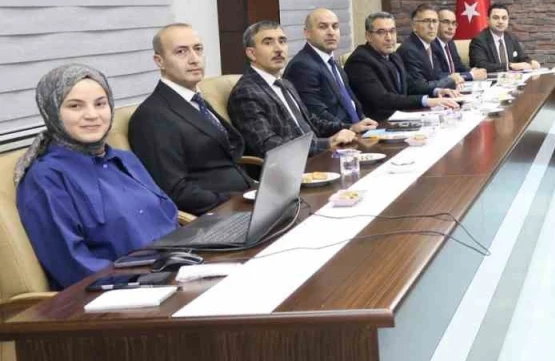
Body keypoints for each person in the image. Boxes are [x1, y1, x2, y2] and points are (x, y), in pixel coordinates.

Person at [15, 64, 179, 290]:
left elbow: (169, 215)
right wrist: (153, 279)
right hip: (123, 292)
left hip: (177, 268)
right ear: (52, 112)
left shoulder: (125, 159)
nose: (92, 115)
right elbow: (74, 267)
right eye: (75, 106)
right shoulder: (46, 178)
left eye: (100, 104)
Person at [130, 23, 254, 215]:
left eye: (198, 49)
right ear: (159, 61)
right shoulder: (151, 116)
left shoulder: (196, 100)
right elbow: (175, 191)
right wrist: (238, 201)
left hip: (247, 195)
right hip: (217, 214)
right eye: (181, 52)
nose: (194, 59)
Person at [227, 21, 362, 157]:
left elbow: (311, 122)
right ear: (251, 53)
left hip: (317, 155)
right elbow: (267, 145)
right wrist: (326, 144)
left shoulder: (285, 83)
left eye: (282, 41)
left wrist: (350, 127)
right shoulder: (246, 92)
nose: (278, 49)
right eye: (268, 43)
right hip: (292, 165)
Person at [346, 12, 461, 120]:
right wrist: (427, 101)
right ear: (368, 36)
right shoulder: (360, 61)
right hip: (379, 124)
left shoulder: (393, 56)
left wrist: (436, 91)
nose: (389, 38)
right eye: (381, 32)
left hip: (401, 117)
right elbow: (382, 99)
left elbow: (411, 86)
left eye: (392, 31)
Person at [283, 8, 377, 134]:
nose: (331, 32)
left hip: (358, 133)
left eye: (335, 27)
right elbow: (317, 115)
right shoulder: (302, 66)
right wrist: (351, 128)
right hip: (335, 138)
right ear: (307, 33)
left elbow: (351, 102)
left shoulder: (331, 62)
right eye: (323, 27)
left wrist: (364, 121)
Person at [397, 5, 462, 95]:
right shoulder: (409, 50)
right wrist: (450, 80)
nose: (431, 26)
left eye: (434, 21)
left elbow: (437, 75)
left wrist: (454, 78)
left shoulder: (431, 45)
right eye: (426, 21)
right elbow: (419, 87)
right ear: (414, 26)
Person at [468, 4, 540, 72]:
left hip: (512, 79)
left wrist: (530, 62)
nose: (500, 21)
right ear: (488, 20)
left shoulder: (511, 38)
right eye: (496, 18)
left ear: (508, 20)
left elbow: (522, 57)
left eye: (504, 18)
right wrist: (509, 66)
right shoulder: (478, 41)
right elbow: (481, 65)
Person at [432, 8, 488, 83]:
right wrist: (470, 75)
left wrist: (473, 71)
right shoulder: (431, 46)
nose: (451, 27)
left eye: (454, 23)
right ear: (436, 23)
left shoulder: (450, 43)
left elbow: (459, 67)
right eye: (446, 22)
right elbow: (438, 76)